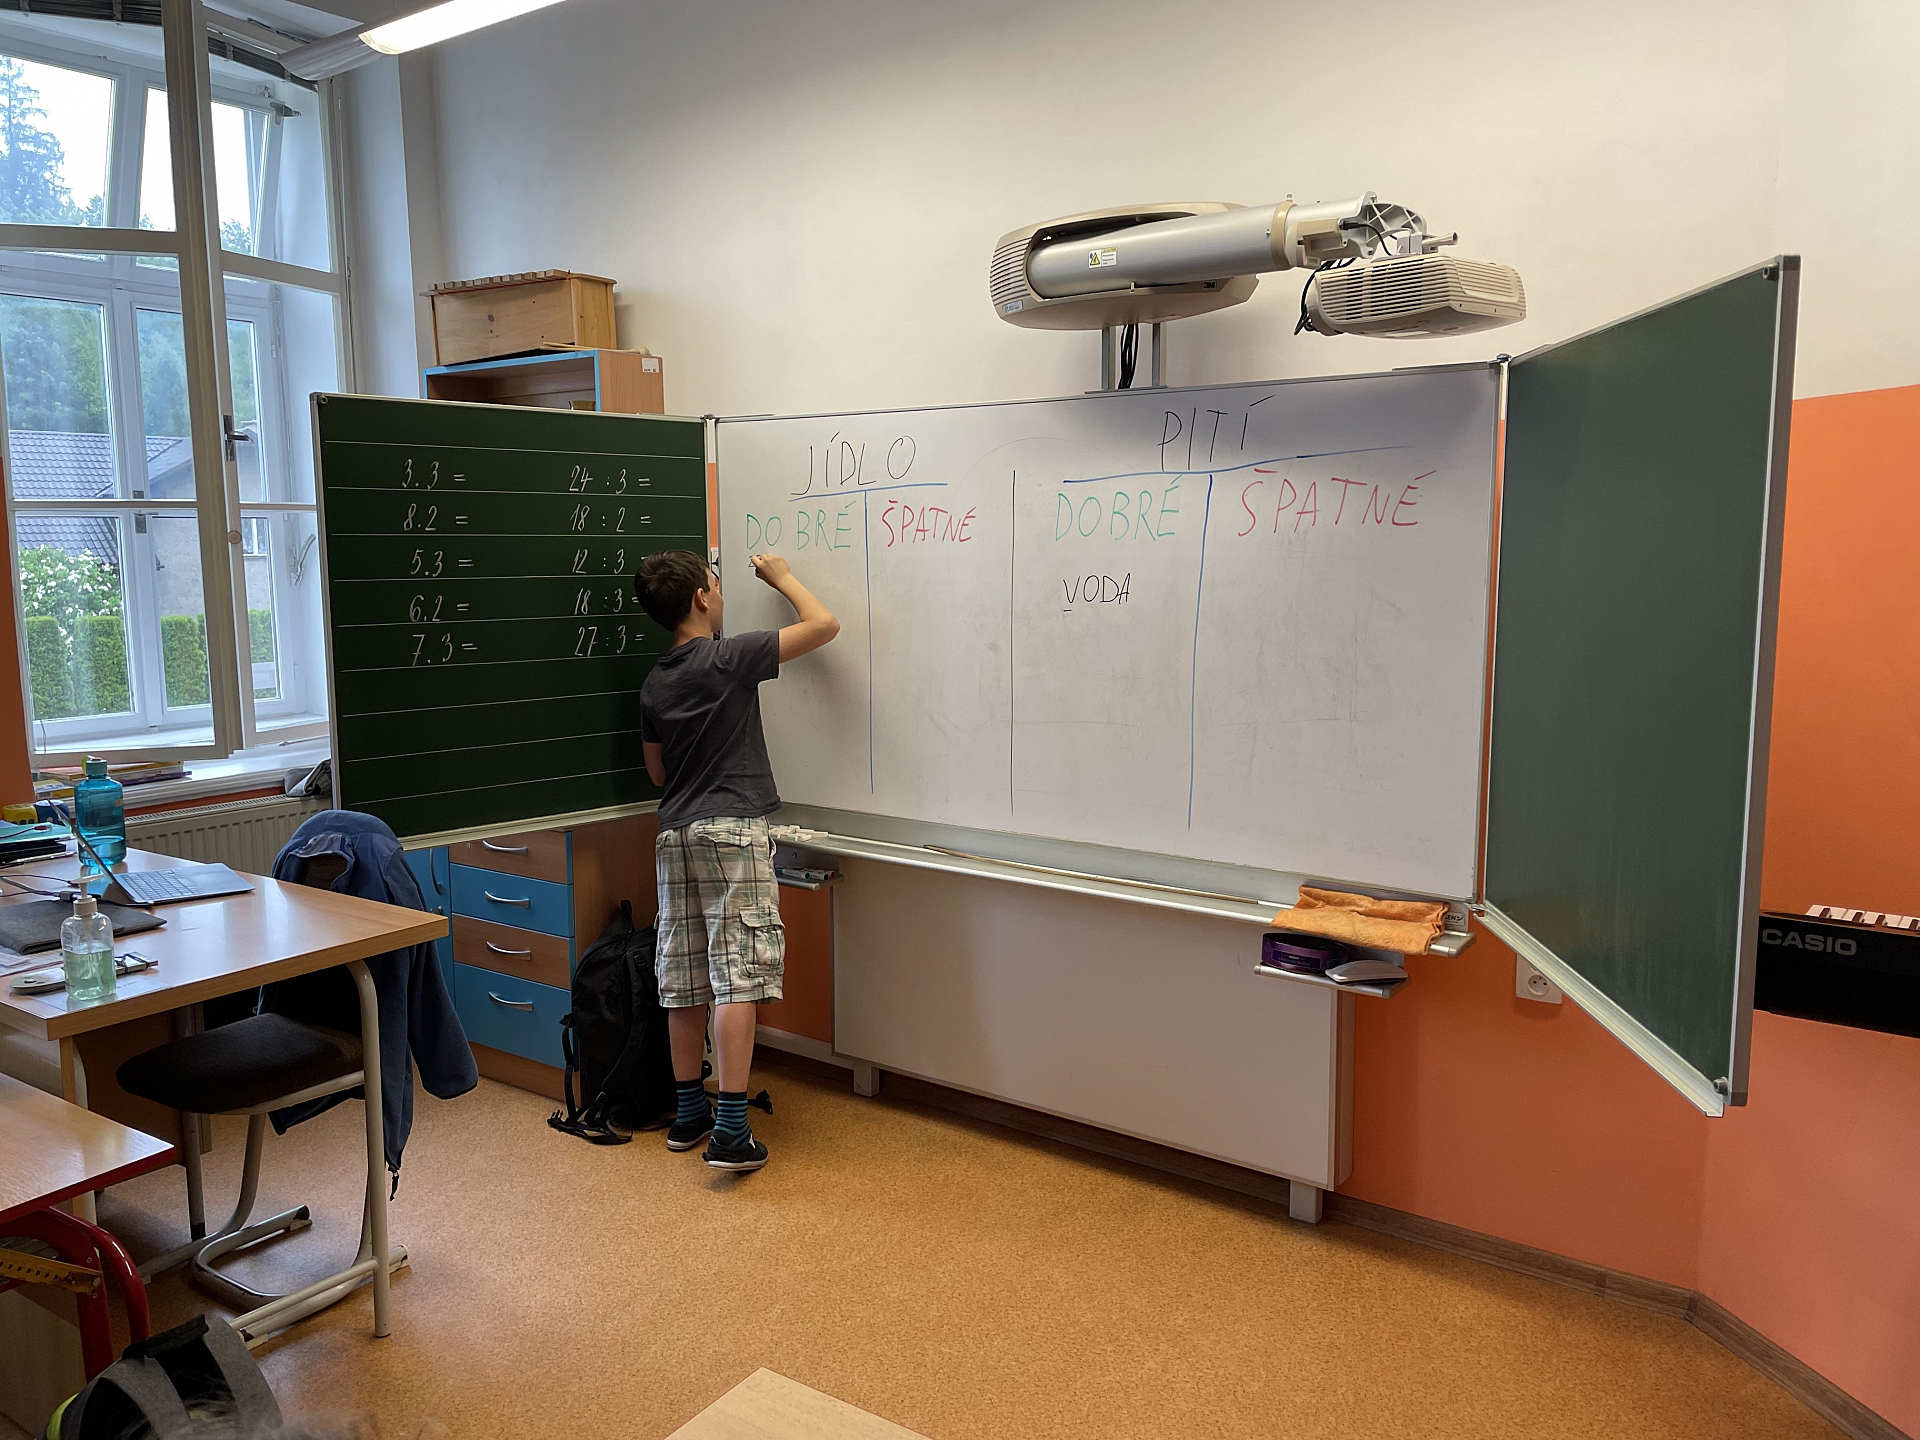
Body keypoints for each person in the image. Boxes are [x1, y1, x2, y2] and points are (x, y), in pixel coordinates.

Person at [635, 550, 839, 1171]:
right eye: (716, 586)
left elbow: (656, 772)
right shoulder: (729, 657)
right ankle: (730, 1130)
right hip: (732, 831)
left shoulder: (655, 681)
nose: (721, 595)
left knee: (683, 976)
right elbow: (824, 625)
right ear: (702, 598)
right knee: (737, 976)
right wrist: (782, 577)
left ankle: (689, 1112)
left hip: (675, 835)